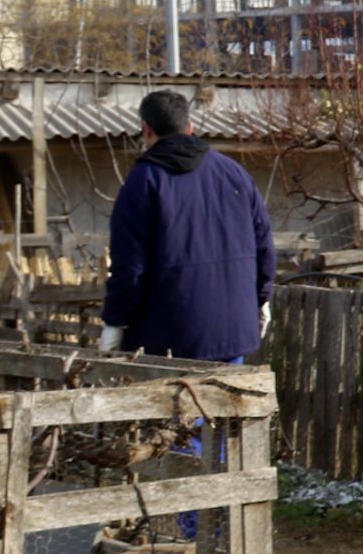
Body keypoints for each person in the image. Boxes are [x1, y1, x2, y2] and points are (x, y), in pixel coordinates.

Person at [100, 89, 276, 363]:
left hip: (166, 340)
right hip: (232, 331)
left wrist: (115, 321)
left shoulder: (142, 183)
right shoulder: (234, 174)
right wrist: (262, 297)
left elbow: (129, 267)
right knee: (226, 405)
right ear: (190, 127)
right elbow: (264, 246)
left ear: (146, 129)